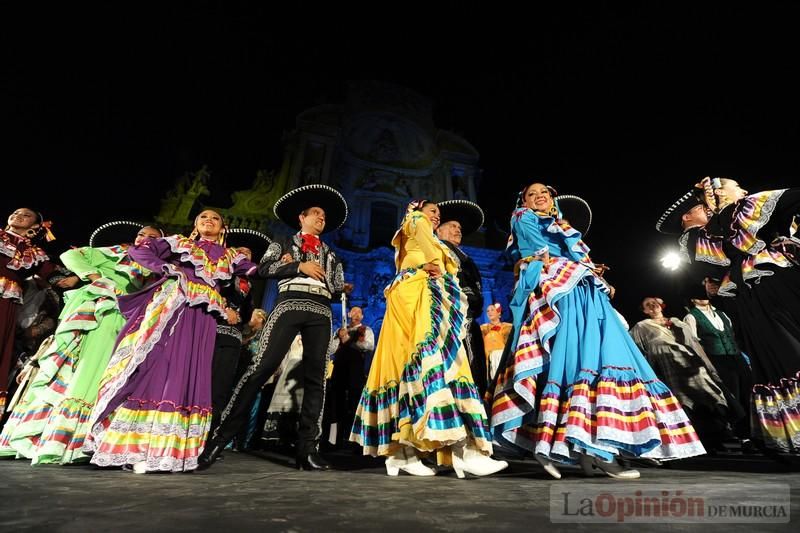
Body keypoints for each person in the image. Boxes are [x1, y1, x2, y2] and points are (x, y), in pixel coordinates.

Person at [490, 182, 706, 480]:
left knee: (600, 359)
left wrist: (591, 272)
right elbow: (536, 254)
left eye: (547, 193)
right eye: (532, 194)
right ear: (523, 201)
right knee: (575, 361)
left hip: (583, 292)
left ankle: (591, 450)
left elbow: (572, 255)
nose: (541, 196)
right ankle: (570, 447)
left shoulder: (559, 224)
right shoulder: (524, 218)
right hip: (561, 294)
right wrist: (562, 263)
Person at [84, 210, 258, 473]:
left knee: (189, 372)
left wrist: (292, 264)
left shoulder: (232, 256)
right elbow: (140, 251)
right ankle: (134, 444)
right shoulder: (182, 243)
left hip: (206, 315)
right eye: (202, 218)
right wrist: (169, 269)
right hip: (176, 304)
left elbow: (260, 269)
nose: (208, 221)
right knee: (159, 362)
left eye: (214, 219)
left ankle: (169, 451)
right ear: (195, 225)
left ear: (224, 227)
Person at [350, 199, 508, 478]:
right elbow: (433, 259)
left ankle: (402, 453)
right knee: (442, 365)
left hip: (420, 300)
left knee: (411, 370)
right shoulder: (416, 223)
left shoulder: (418, 238)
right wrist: (436, 265)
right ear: (418, 211)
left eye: (438, 213)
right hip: (418, 300)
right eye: (433, 211)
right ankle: (462, 452)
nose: (436, 216)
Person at [199, 184, 349, 471]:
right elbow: (264, 269)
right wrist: (297, 267)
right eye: (315, 214)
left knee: (317, 378)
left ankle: (308, 449)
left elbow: (337, 283)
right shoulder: (282, 244)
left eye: (324, 217)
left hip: (320, 309)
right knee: (261, 368)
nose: (321, 219)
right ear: (301, 219)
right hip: (289, 304)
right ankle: (218, 439)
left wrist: (339, 286)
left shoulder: (332, 254)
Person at [0, 222, 163, 464]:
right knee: (86, 367)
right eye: (142, 234)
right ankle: (62, 442)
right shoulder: (122, 251)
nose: (145, 239)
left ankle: (72, 436)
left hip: (128, 318)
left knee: (101, 373)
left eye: (153, 237)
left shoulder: (157, 266)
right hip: (103, 310)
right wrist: (96, 278)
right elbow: (70, 254)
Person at [630, 297, 742, 452]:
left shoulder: (679, 323)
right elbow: (636, 352)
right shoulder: (641, 327)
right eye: (648, 304)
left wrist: (710, 369)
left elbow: (695, 346)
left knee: (708, 397)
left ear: (662, 305)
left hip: (693, 367)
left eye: (655, 302)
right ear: (645, 311)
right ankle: (695, 442)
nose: (653, 305)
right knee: (683, 402)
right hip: (669, 369)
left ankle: (717, 437)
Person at [1, 208, 71, 413]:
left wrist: (76, 278)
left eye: (26, 215)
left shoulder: (34, 253)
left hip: (5, 304)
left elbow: (53, 274)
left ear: (35, 227)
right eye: (15, 212)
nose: (18, 215)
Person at [435, 199, 488, 397]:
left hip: (469, 320)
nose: (458, 230)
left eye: (459, 227)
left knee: (475, 369)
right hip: (448, 322)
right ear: (438, 231)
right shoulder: (436, 252)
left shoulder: (467, 258)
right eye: (452, 226)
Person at [684, 295, 753, 446]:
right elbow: (695, 343)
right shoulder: (691, 317)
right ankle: (740, 434)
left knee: (746, 392)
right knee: (731, 395)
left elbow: (731, 335)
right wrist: (707, 365)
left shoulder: (722, 314)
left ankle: (752, 431)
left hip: (735, 356)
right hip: (716, 358)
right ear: (692, 299)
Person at [329, 306, 374, 448]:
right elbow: (331, 349)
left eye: (359, 312)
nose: (356, 314)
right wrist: (338, 336)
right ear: (348, 314)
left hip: (355, 371)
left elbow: (369, 346)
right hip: (339, 369)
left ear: (362, 316)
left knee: (354, 404)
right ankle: (334, 440)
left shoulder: (366, 330)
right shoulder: (340, 330)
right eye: (353, 311)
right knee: (336, 402)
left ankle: (354, 441)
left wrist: (350, 340)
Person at [480, 303, 512, 383]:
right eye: (487, 311)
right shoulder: (483, 328)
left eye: (492, 310)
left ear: (499, 312)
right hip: (488, 362)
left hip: (503, 360)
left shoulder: (508, 327)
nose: (489, 312)